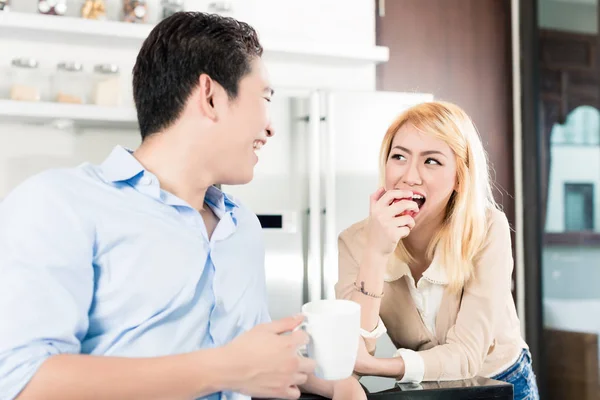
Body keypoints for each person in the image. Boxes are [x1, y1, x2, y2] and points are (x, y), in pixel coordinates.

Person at [0, 12, 362, 400]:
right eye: (264, 98)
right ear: (210, 96)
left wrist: (339, 385)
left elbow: (255, 360)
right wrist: (226, 368)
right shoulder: (58, 203)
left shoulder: (241, 227)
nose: (271, 127)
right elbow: (23, 382)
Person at [335, 101, 540, 400]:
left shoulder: (487, 229)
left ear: (459, 177)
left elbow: (467, 356)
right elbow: (353, 352)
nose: (410, 176)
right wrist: (376, 255)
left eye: (431, 161)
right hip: (427, 385)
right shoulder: (354, 242)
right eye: (399, 156)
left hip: (500, 382)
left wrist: (381, 366)